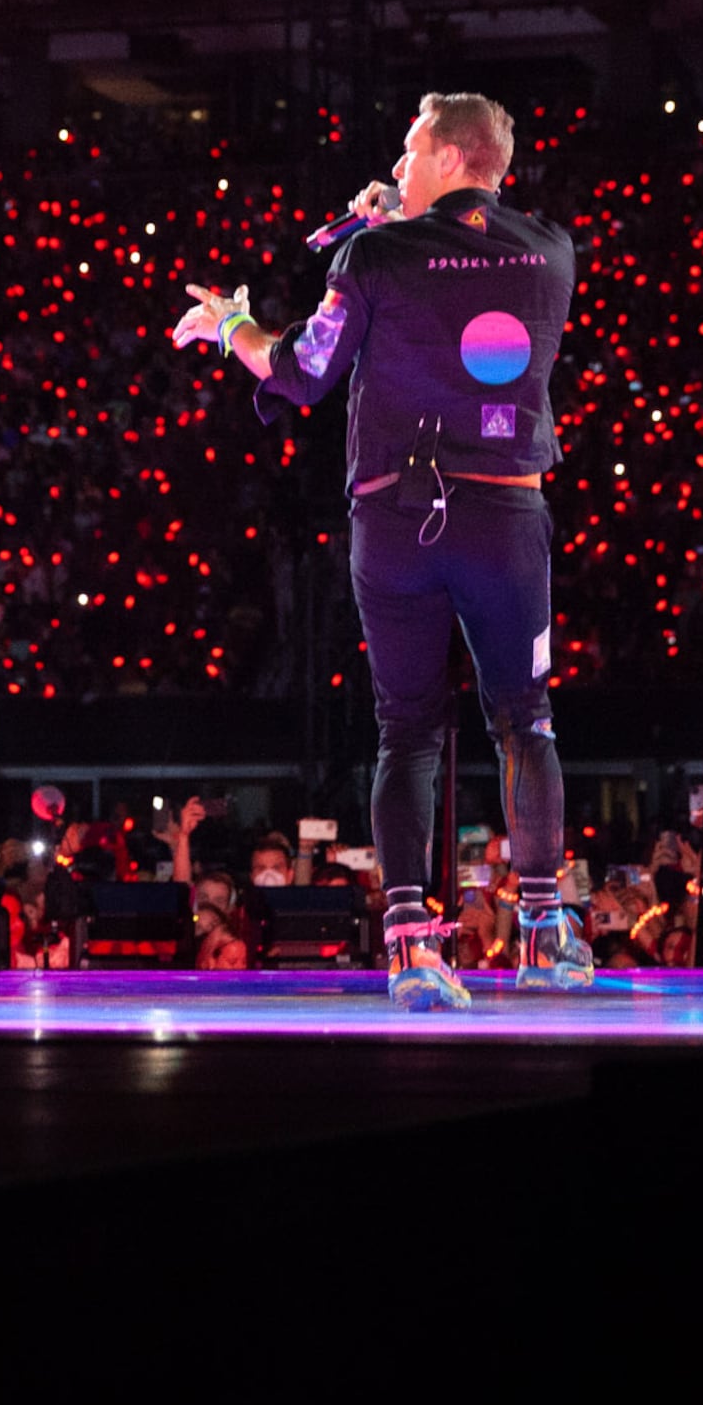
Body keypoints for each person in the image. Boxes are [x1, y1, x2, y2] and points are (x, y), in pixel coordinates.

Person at [175, 91, 586, 1013]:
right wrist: (399, 223)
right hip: (507, 522)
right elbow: (466, 256)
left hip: (395, 526)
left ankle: (409, 944)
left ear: (446, 156)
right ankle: (546, 930)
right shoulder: (552, 251)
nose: (395, 167)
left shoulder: (377, 253)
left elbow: (303, 373)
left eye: (408, 152)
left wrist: (232, 324)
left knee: (408, 728)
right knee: (527, 717)